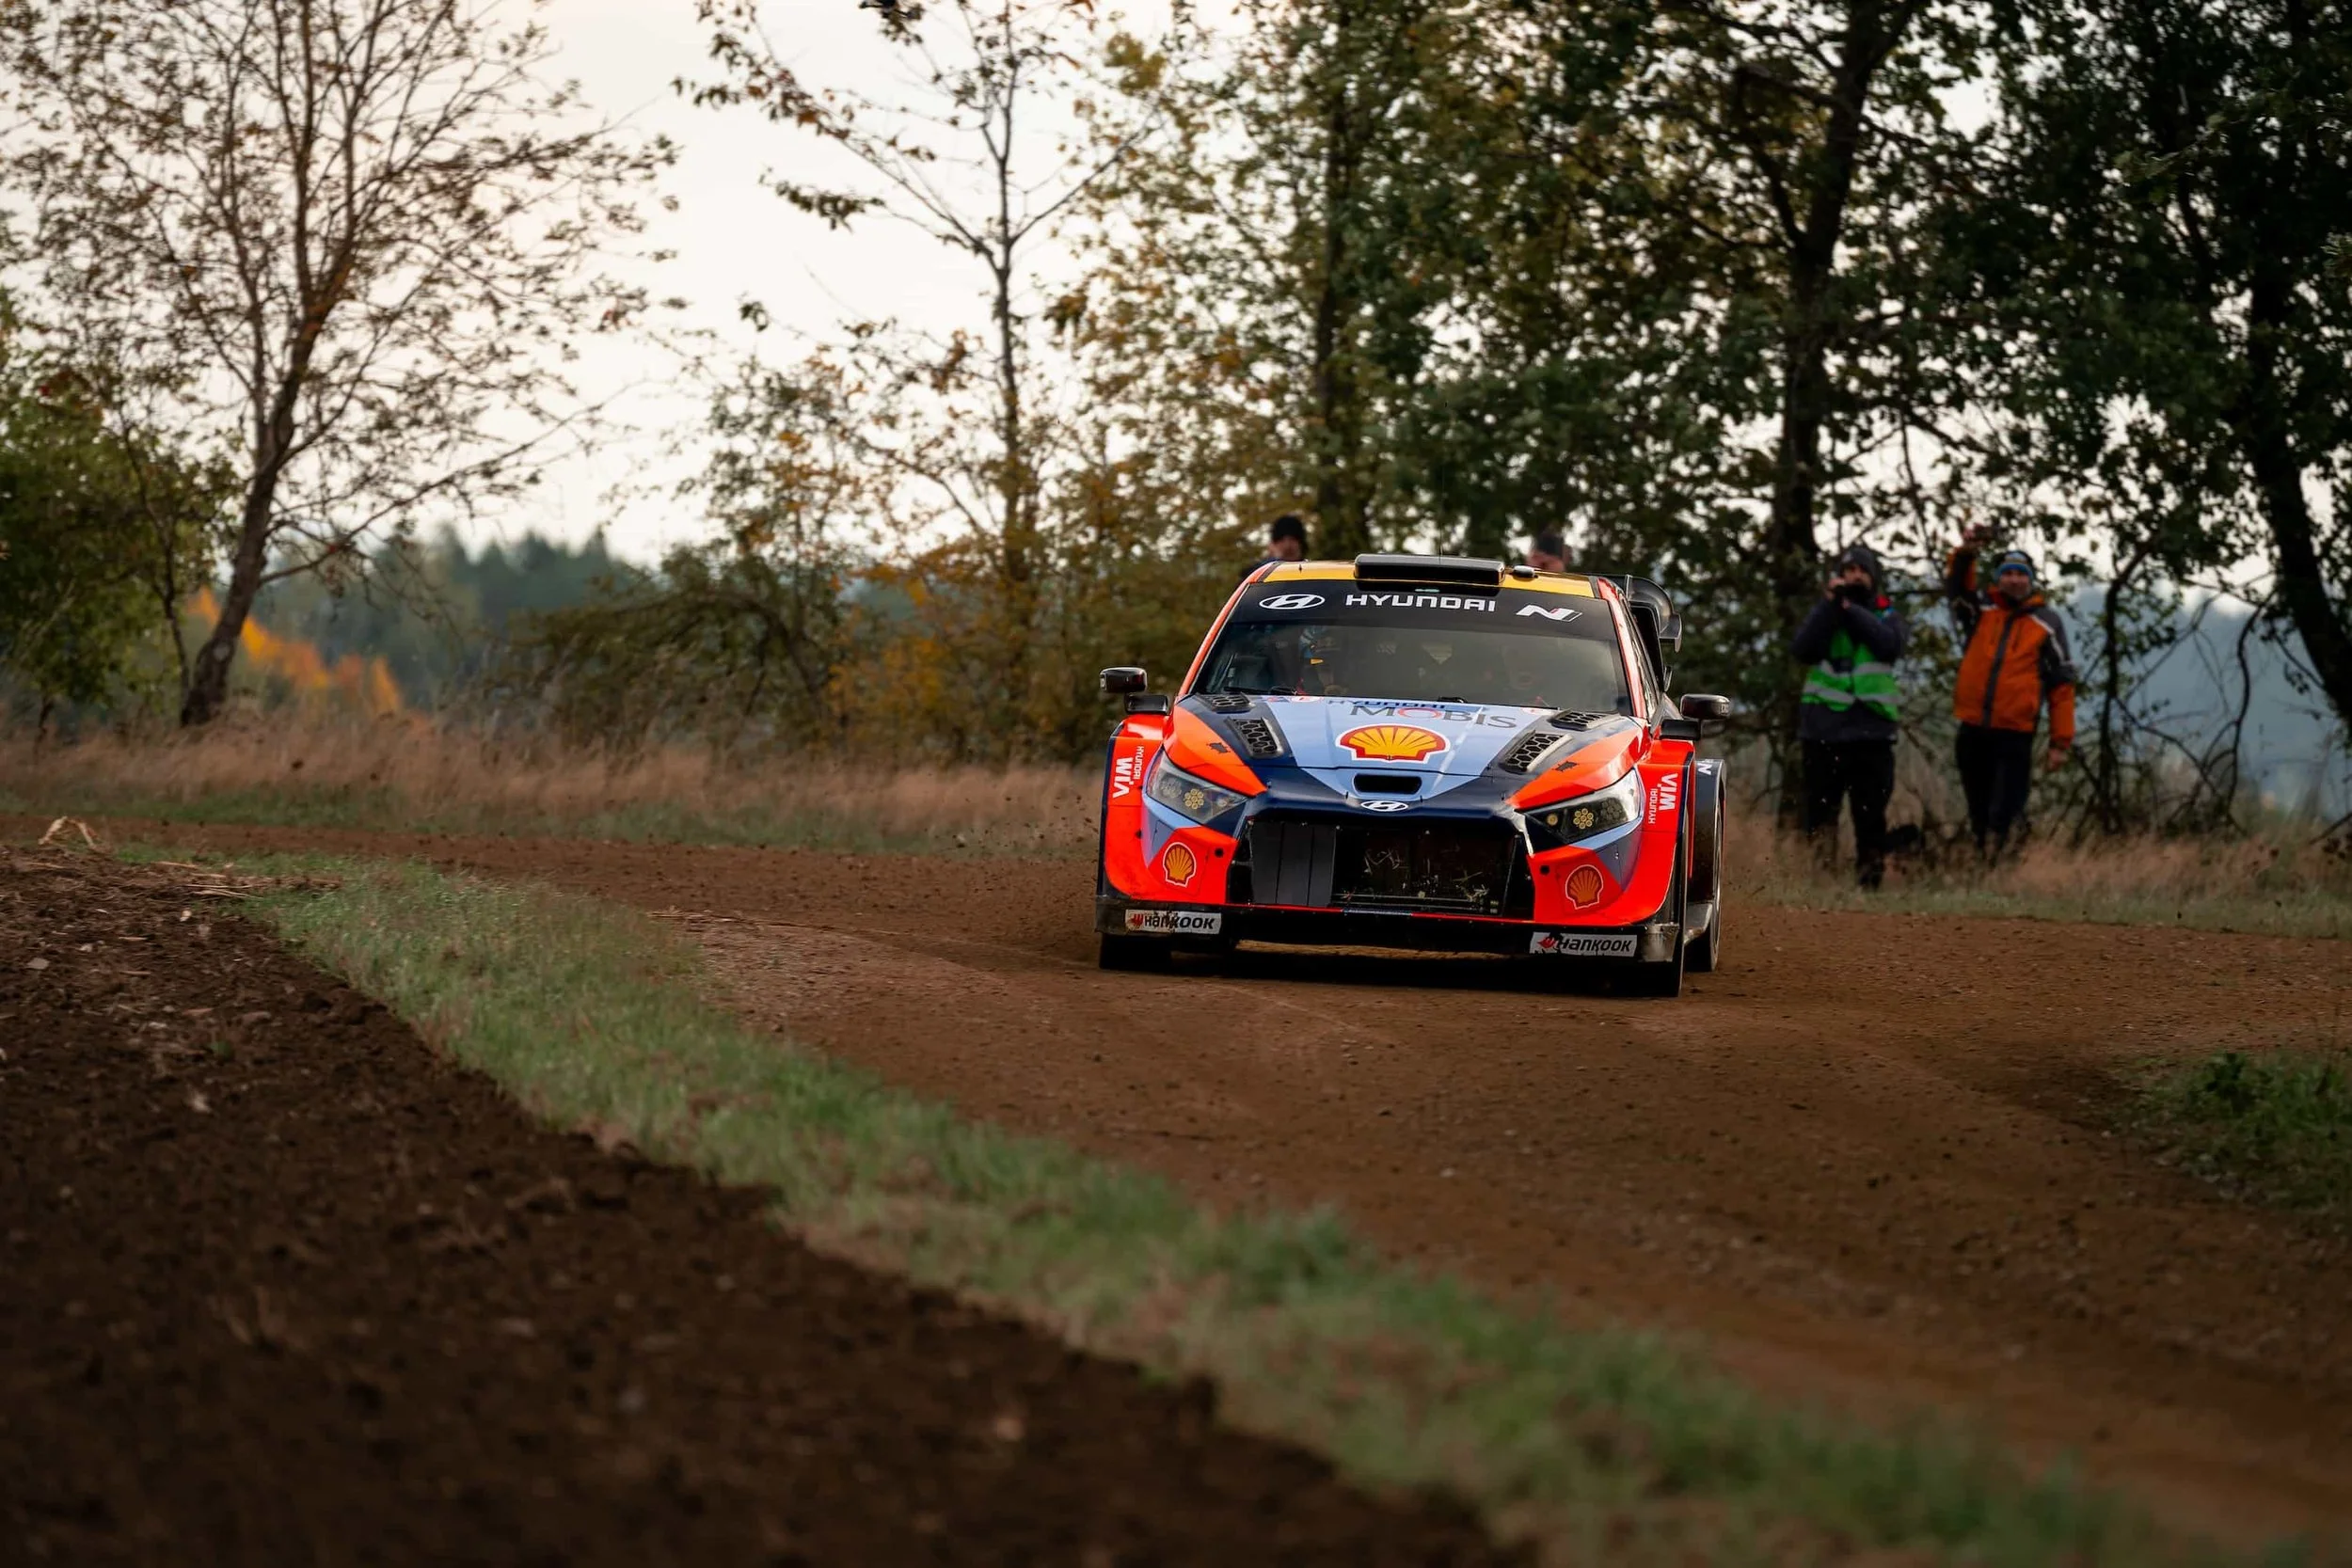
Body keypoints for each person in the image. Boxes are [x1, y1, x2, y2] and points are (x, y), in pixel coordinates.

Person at [1946, 528, 2076, 857]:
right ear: (1998, 579)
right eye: (2008, 574)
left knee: (2006, 807)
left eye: (2021, 574)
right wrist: (1967, 552)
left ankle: (2003, 863)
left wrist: (2060, 741)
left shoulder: (2047, 623)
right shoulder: (1980, 612)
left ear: (2031, 580)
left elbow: (2061, 684)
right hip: (1973, 726)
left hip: (2015, 732)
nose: (2015, 580)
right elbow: (1957, 587)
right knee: (1978, 803)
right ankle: (1982, 863)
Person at [1790, 544, 1907, 889]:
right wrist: (1831, 606)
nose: (1855, 575)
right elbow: (1803, 649)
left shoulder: (1887, 615)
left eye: (1862, 570)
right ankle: (1819, 882)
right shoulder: (1825, 613)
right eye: (1849, 569)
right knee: (1820, 815)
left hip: (1872, 734)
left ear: (1873, 577)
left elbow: (1888, 645)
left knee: (1870, 817)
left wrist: (1849, 610)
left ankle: (1870, 885)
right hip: (1823, 733)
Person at [1245, 513, 1308, 577]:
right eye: (1281, 540)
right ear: (1272, 545)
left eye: (1292, 539)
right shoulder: (1255, 575)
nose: (1287, 546)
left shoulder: (1310, 572)